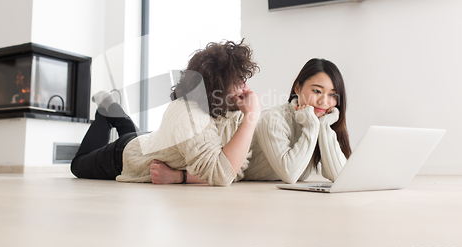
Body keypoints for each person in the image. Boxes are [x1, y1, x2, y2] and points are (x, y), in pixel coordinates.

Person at [70, 40, 261, 187]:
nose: (245, 87)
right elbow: (222, 173)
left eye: (243, 79)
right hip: (125, 155)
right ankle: (106, 109)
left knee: (136, 135)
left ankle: (112, 108)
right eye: (238, 81)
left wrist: (181, 177)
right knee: (78, 165)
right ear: (217, 86)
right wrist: (251, 117)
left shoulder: (231, 111)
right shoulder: (187, 115)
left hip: (154, 143)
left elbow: (238, 167)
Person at [149, 58, 351, 184]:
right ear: (297, 88)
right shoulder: (274, 119)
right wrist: (313, 125)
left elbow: (340, 177)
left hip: (218, 173)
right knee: (133, 138)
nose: (325, 101)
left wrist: (324, 126)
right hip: (176, 156)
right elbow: (290, 175)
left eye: (333, 95)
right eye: (317, 91)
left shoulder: (317, 122)